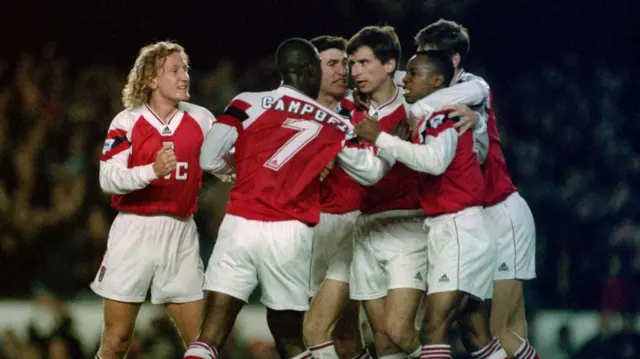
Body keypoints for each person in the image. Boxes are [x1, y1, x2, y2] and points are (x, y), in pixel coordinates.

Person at [184, 38, 360, 359]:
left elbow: (209, 158)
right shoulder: (335, 122)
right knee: (290, 336)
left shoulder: (247, 102)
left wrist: (236, 171)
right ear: (310, 71)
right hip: (288, 231)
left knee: (209, 336)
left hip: (239, 224)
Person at [355, 50, 508, 359]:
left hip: (458, 228)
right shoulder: (430, 118)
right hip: (451, 228)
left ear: (437, 81)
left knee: (433, 328)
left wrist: (382, 139)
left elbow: (436, 162)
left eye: (414, 73)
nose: (406, 79)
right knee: (476, 335)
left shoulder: (442, 116)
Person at [412, 20, 539, 359]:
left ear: (452, 60)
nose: (419, 67)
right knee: (491, 331)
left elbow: (419, 108)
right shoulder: (439, 94)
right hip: (477, 219)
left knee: (501, 332)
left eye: (427, 57)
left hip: (500, 212)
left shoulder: (472, 88)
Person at [92, 41, 215, 359]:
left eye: (185, 68)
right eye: (175, 70)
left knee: (203, 344)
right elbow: (109, 178)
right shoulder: (126, 122)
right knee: (117, 340)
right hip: (134, 231)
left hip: (181, 233)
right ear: (151, 79)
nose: (185, 76)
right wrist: (152, 170)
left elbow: (225, 163)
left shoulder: (202, 119)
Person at [341, 25, 428, 359]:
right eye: (352, 64)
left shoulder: (415, 104)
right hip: (363, 228)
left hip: (407, 227)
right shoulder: (348, 108)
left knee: (400, 332)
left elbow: (466, 83)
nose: (356, 72)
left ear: (390, 65)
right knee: (384, 341)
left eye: (364, 63)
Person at [303, 35, 367, 359]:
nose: (343, 70)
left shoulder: (362, 108)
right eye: (333, 64)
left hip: (355, 224)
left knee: (318, 327)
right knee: (341, 329)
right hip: (315, 230)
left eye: (345, 63)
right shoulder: (297, 117)